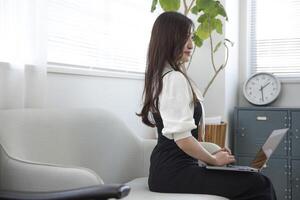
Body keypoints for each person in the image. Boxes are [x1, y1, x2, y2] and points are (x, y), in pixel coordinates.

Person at [137, 11, 277, 200]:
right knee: (259, 184)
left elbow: (178, 138)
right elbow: (182, 139)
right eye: (184, 38)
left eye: (191, 38)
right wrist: (212, 159)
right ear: (169, 40)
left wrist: (212, 152)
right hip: (173, 173)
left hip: (170, 170)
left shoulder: (162, 76)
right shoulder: (173, 79)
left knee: (254, 179)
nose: (191, 45)